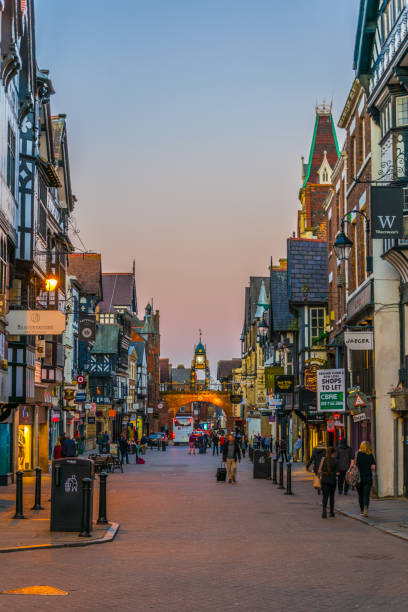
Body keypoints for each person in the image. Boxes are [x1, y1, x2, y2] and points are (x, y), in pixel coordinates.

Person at [352, 441, 376, 517]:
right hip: (368, 478)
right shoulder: (370, 455)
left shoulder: (357, 454)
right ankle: (366, 507)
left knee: (360, 495)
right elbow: (373, 467)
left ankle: (362, 511)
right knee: (366, 494)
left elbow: (354, 465)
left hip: (359, 478)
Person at [318, 447, 338, 518]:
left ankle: (324, 511)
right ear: (333, 453)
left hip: (324, 480)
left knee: (325, 496)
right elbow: (337, 472)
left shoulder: (323, 460)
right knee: (332, 496)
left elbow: (319, 471)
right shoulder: (335, 461)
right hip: (332, 480)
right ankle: (331, 512)